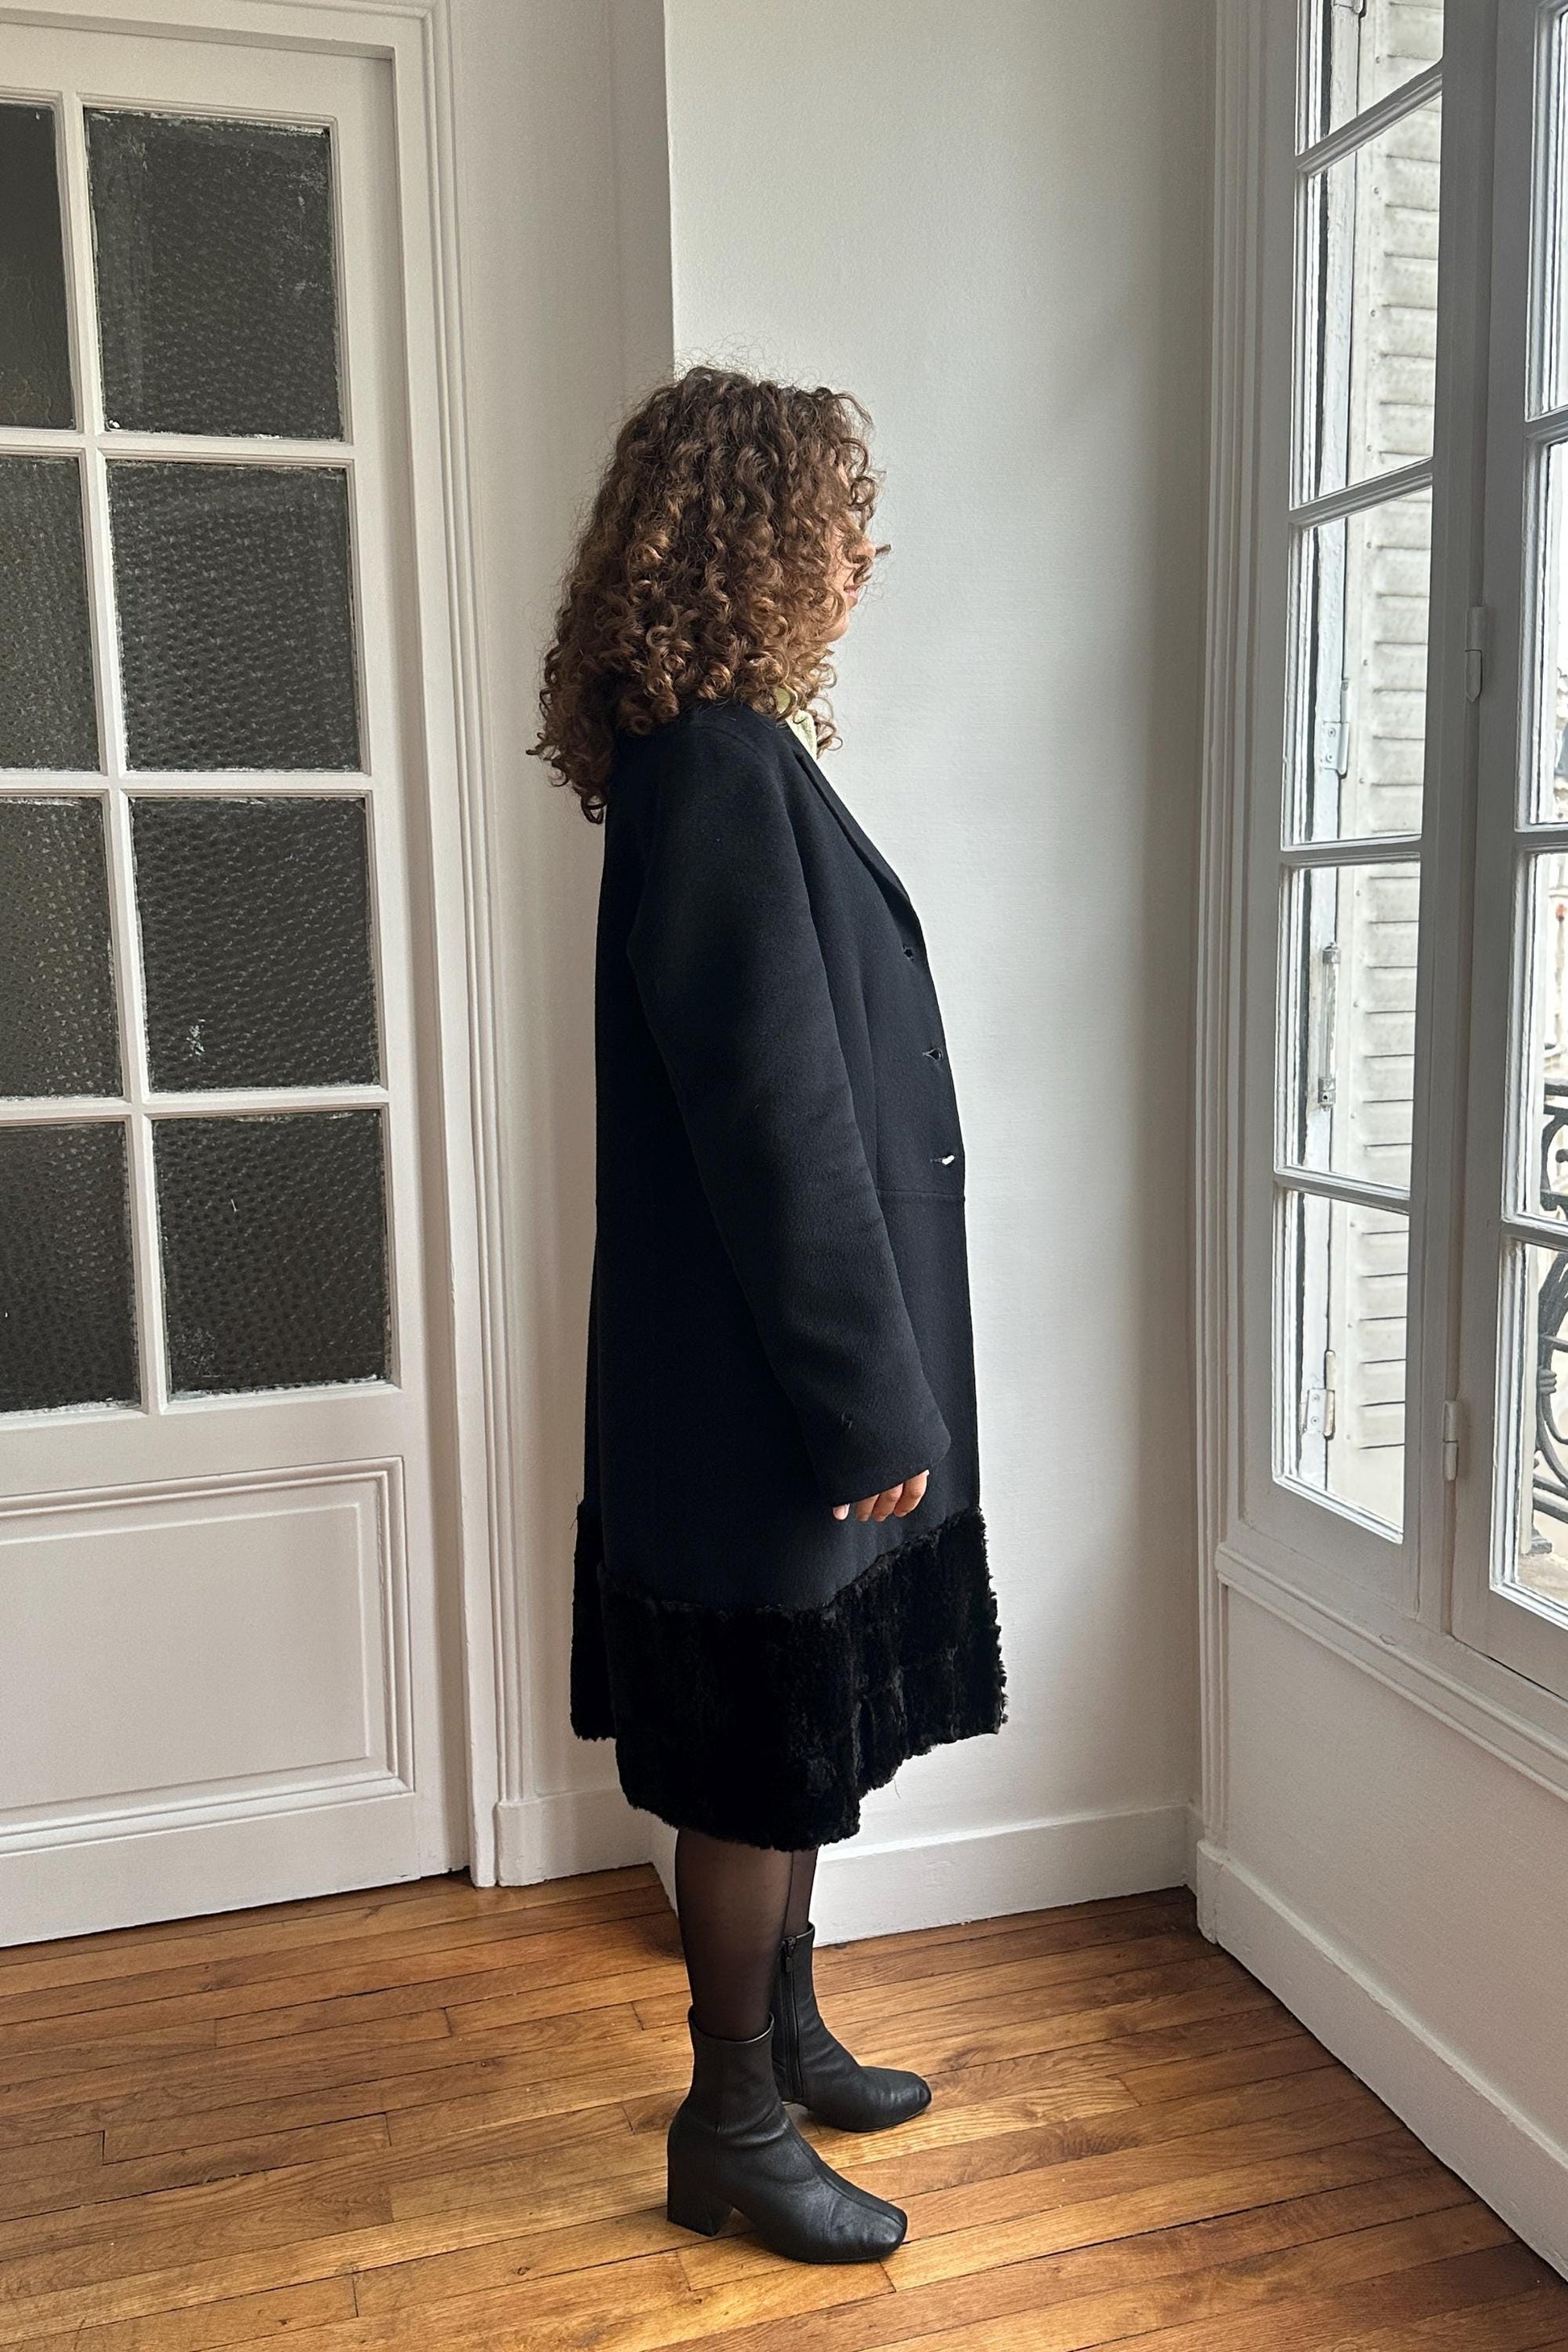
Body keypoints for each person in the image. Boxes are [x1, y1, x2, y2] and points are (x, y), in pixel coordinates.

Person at [530, 364, 1006, 2264]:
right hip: (759, 1382)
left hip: (743, 1372)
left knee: (784, 1729)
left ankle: (783, 2030)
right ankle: (724, 2117)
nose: (861, 552)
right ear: (755, 537)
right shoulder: (717, 766)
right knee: (749, 1745)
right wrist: (865, 1397)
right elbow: (776, 1122)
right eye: (837, 517)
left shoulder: (717, 754)